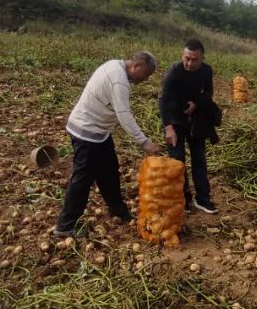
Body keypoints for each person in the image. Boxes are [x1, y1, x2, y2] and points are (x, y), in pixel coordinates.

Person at [54, 52, 163, 238]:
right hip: (86, 132)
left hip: (99, 133)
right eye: (145, 75)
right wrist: (145, 142)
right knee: (82, 179)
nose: (144, 80)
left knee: (110, 170)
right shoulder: (119, 80)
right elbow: (124, 115)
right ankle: (65, 226)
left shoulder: (116, 65)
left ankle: (117, 209)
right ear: (137, 66)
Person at [160, 39, 220, 213]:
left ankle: (203, 199)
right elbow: (163, 100)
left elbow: (208, 92)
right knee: (177, 161)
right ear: (182, 56)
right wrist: (168, 127)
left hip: (196, 120)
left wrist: (196, 104)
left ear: (202, 58)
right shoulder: (174, 72)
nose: (190, 63)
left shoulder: (206, 71)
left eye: (194, 60)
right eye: (187, 58)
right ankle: (183, 199)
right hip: (175, 120)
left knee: (199, 160)